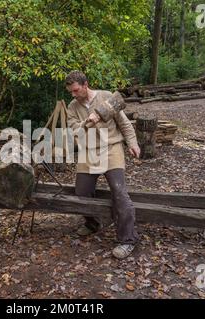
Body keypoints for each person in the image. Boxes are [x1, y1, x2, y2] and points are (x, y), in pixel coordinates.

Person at [65, 70, 141, 259]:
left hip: (112, 148)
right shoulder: (73, 106)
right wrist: (87, 122)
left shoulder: (107, 97)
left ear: (85, 85)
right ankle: (93, 223)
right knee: (81, 192)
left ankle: (127, 240)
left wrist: (132, 143)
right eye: (71, 92)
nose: (73, 95)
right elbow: (74, 132)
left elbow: (123, 123)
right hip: (88, 152)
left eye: (76, 90)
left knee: (119, 192)